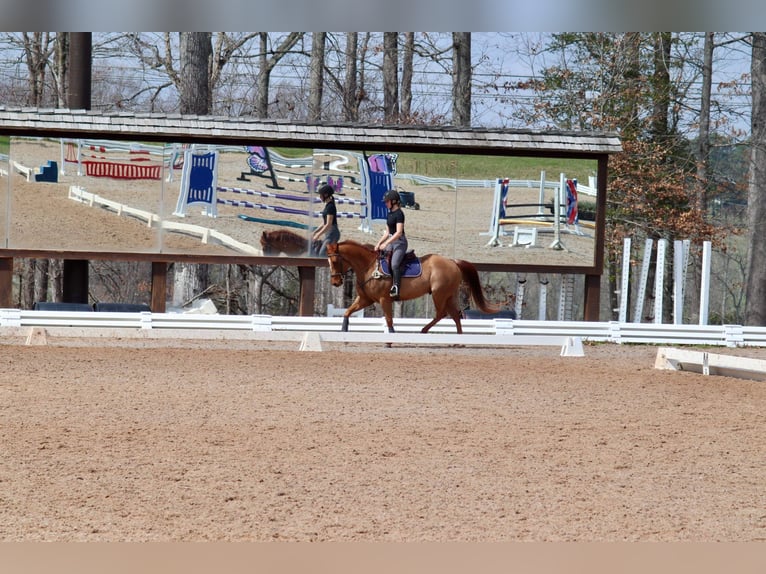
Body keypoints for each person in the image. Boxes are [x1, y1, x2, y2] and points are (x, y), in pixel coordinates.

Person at [374, 189, 408, 300]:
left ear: (394, 202)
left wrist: (387, 243)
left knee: (394, 264)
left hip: (400, 242)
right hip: (391, 241)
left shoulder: (399, 214)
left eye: (387, 201)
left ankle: (396, 287)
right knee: (381, 256)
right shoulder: (389, 214)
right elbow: (388, 232)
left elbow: (398, 233)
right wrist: (379, 243)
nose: (385, 203)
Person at [312, 183, 340, 256]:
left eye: (321, 195)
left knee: (322, 254)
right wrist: (315, 231)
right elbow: (324, 222)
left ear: (326, 195)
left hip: (333, 234)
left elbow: (328, 224)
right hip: (329, 234)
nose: (320, 196)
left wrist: (318, 235)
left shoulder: (330, 206)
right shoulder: (328, 206)